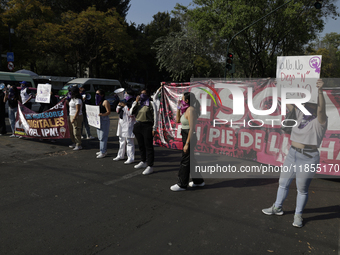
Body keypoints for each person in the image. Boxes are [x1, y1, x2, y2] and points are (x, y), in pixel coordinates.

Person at [262, 79, 327, 228]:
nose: (307, 106)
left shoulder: (321, 119)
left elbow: (322, 110)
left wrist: (320, 91)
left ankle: (298, 215)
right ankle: (277, 207)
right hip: (292, 154)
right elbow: (286, 101)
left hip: (309, 157)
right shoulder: (299, 114)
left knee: (302, 189)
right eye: (306, 103)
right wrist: (282, 87)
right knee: (283, 183)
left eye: (311, 104)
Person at [170, 92, 205, 191]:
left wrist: (187, 143)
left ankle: (182, 184)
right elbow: (177, 120)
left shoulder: (191, 110)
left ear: (187, 100)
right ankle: (199, 181)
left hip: (190, 137)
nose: (181, 100)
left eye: (182, 99)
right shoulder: (186, 110)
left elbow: (192, 129)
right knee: (191, 160)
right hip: (186, 135)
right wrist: (178, 107)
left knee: (185, 160)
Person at [130, 89, 157, 175]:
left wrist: (154, 128)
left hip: (147, 126)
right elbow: (131, 113)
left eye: (144, 94)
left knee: (148, 146)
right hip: (138, 125)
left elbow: (156, 117)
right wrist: (135, 102)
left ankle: (150, 165)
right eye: (141, 94)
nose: (142, 95)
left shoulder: (151, 104)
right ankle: (143, 161)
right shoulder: (138, 104)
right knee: (141, 145)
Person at [113, 88, 136, 164]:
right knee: (121, 140)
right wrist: (119, 105)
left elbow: (131, 114)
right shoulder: (122, 101)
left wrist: (125, 106)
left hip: (129, 123)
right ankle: (120, 155)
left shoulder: (133, 102)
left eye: (126, 94)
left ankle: (130, 157)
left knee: (129, 141)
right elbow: (117, 111)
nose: (125, 95)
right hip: (122, 123)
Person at [95, 89, 111, 159]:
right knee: (99, 136)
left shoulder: (105, 102)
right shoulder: (98, 102)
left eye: (98, 94)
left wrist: (103, 114)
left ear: (102, 95)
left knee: (103, 136)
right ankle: (102, 149)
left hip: (104, 119)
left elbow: (108, 112)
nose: (96, 95)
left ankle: (103, 152)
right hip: (98, 120)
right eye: (96, 94)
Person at [67, 86, 83, 151]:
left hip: (76, 116)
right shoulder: (72, 99)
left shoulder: (78, 100)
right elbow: (71, 106)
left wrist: (74, 118)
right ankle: (74, 142)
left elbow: (77, 110)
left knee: (76, 131)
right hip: (71, 115)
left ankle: (78, 144)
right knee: (71, 130)